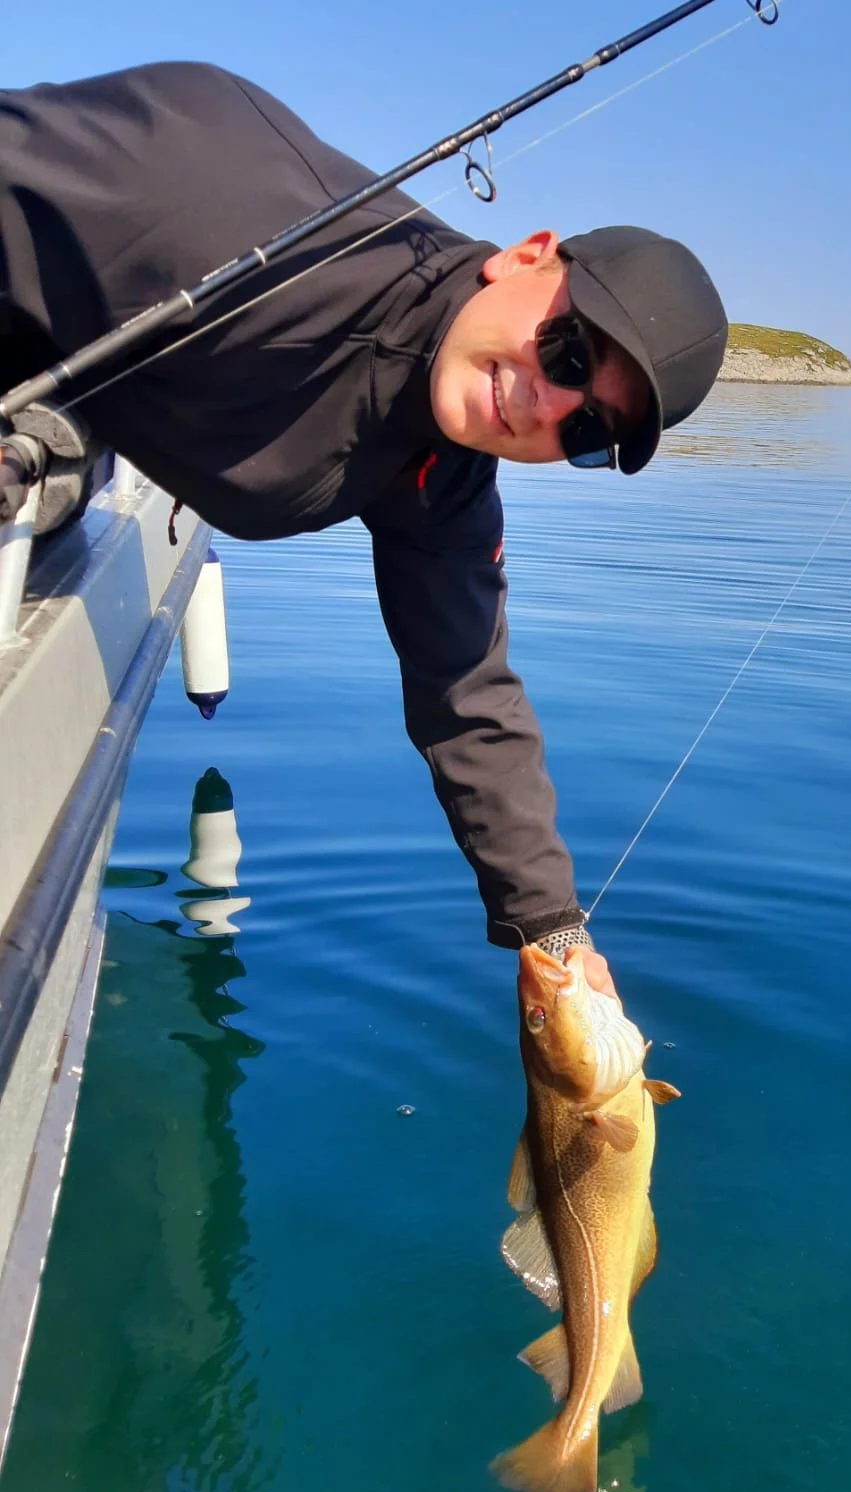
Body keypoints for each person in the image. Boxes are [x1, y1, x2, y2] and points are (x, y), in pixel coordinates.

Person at [0, 61, 728, 996]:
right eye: (570, 349)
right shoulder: (216, 194)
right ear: (526, 256)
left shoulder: (444, 475)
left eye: (588, 432)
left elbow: (468, 692)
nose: (547, 404)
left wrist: (551, 932)